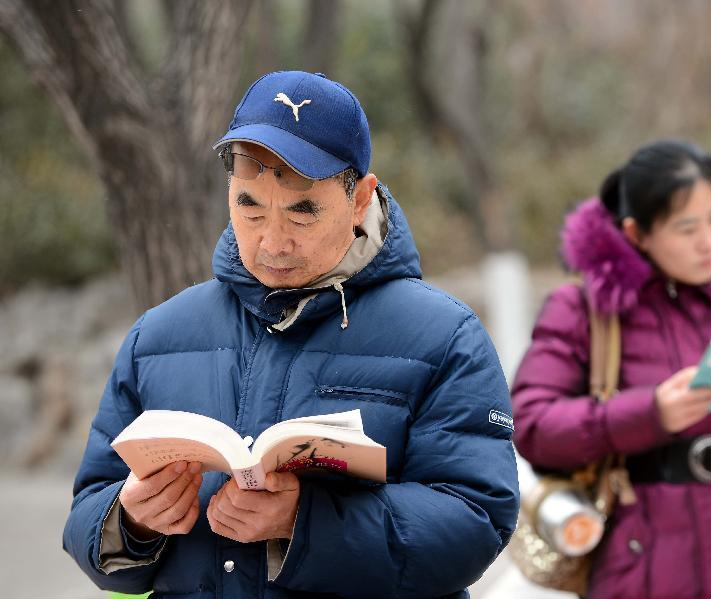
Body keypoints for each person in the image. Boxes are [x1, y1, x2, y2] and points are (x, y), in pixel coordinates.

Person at [63, 70, 519, 599]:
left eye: (303, 213)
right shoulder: (159, 335)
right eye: (249, 206)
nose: (272, 242)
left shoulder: (445, 337)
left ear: (360, 198)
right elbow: (86, 516)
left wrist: (304, 525)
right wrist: (131, 521)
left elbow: (477, 520)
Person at [512, 140, 711, 598]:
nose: (710, 241)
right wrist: (650, 414)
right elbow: (531, 425)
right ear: (637, 233)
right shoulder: (585, 308)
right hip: (643, 563)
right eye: (687, 228)